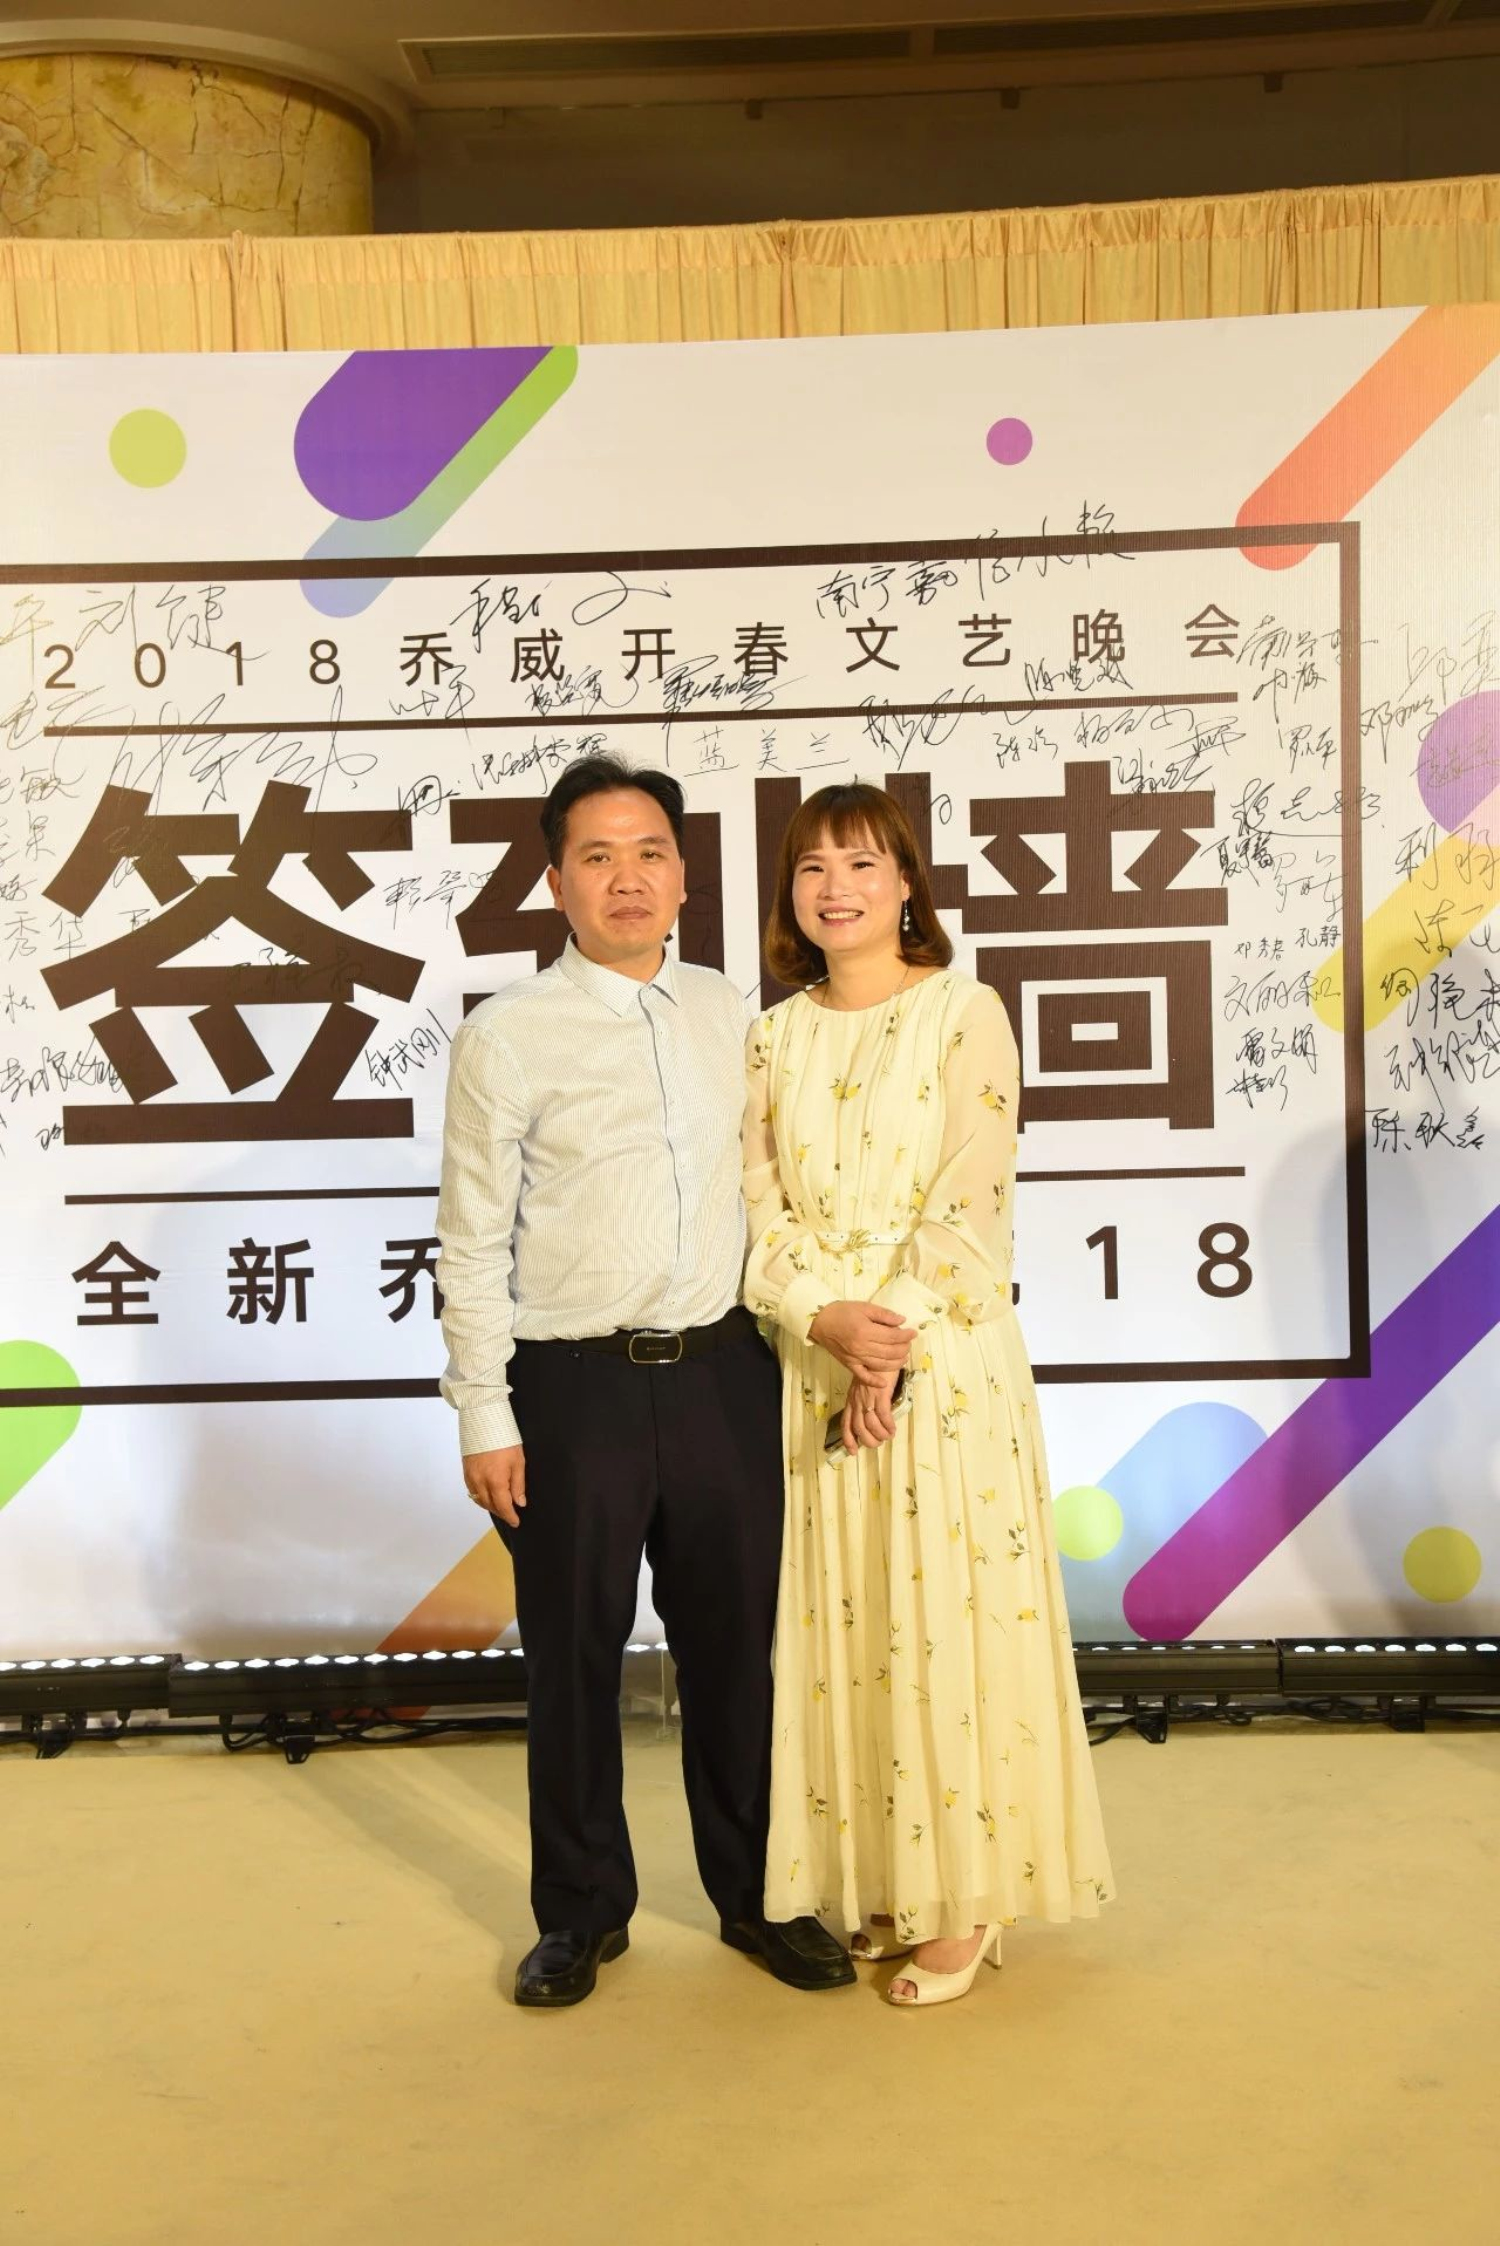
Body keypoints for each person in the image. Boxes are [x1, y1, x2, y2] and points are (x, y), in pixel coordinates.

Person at [435, 752, 854, 2007]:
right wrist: (484, 1409)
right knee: (571, 1661)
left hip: (728, 1373)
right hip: (573, 1391)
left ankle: (760, 1899)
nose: (629, 877)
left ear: (683, 875)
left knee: (740, 1656)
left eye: (652, 852)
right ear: (555, 881)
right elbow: (471, 1236)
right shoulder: (505, 1034)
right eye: (599, 856)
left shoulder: (741, 1015)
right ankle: (578, 1915)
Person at [742, 781, 1114, 2008]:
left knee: (948, 1615)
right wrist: (825, 1319)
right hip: (820, 1362)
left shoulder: (965, 1010)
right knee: (853, 1627)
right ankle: (890, 1880)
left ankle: (968, 1896)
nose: (836, 886)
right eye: (812, 867)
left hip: (941, 1357)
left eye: (862, 862)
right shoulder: (769, 1036)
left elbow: (972, 1198)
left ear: (908, 881)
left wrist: (887, 1336)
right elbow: (757, 1212)